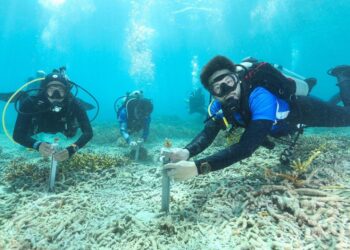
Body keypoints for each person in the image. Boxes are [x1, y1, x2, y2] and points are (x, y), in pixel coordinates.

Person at [162, 55, 350, 181]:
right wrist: (186, 152)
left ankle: (344, 78)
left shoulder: (259, 95)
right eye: (219, 88)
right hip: (281, 127)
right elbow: (208, 133)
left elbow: (246, 147)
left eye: (229, 82)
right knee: (336, 107)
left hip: (304, 111)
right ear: (213, 94)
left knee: (346, 116)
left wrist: (197, 167)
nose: (227, 91)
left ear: (237, 77)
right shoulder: (218, 105)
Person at [13, 70, 93, 162]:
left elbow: (88, 133)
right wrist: (37, 145)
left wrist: (72, 149)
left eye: (60, 90)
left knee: (72, 132)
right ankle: (32, 83)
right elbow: (18, 135)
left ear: (66, 91)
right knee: (26, 98)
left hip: (64, 130)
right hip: (38, 128)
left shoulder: (74, 103)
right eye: (51, 90)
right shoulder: (31, 102)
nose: (56, 95)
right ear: (44, 90)